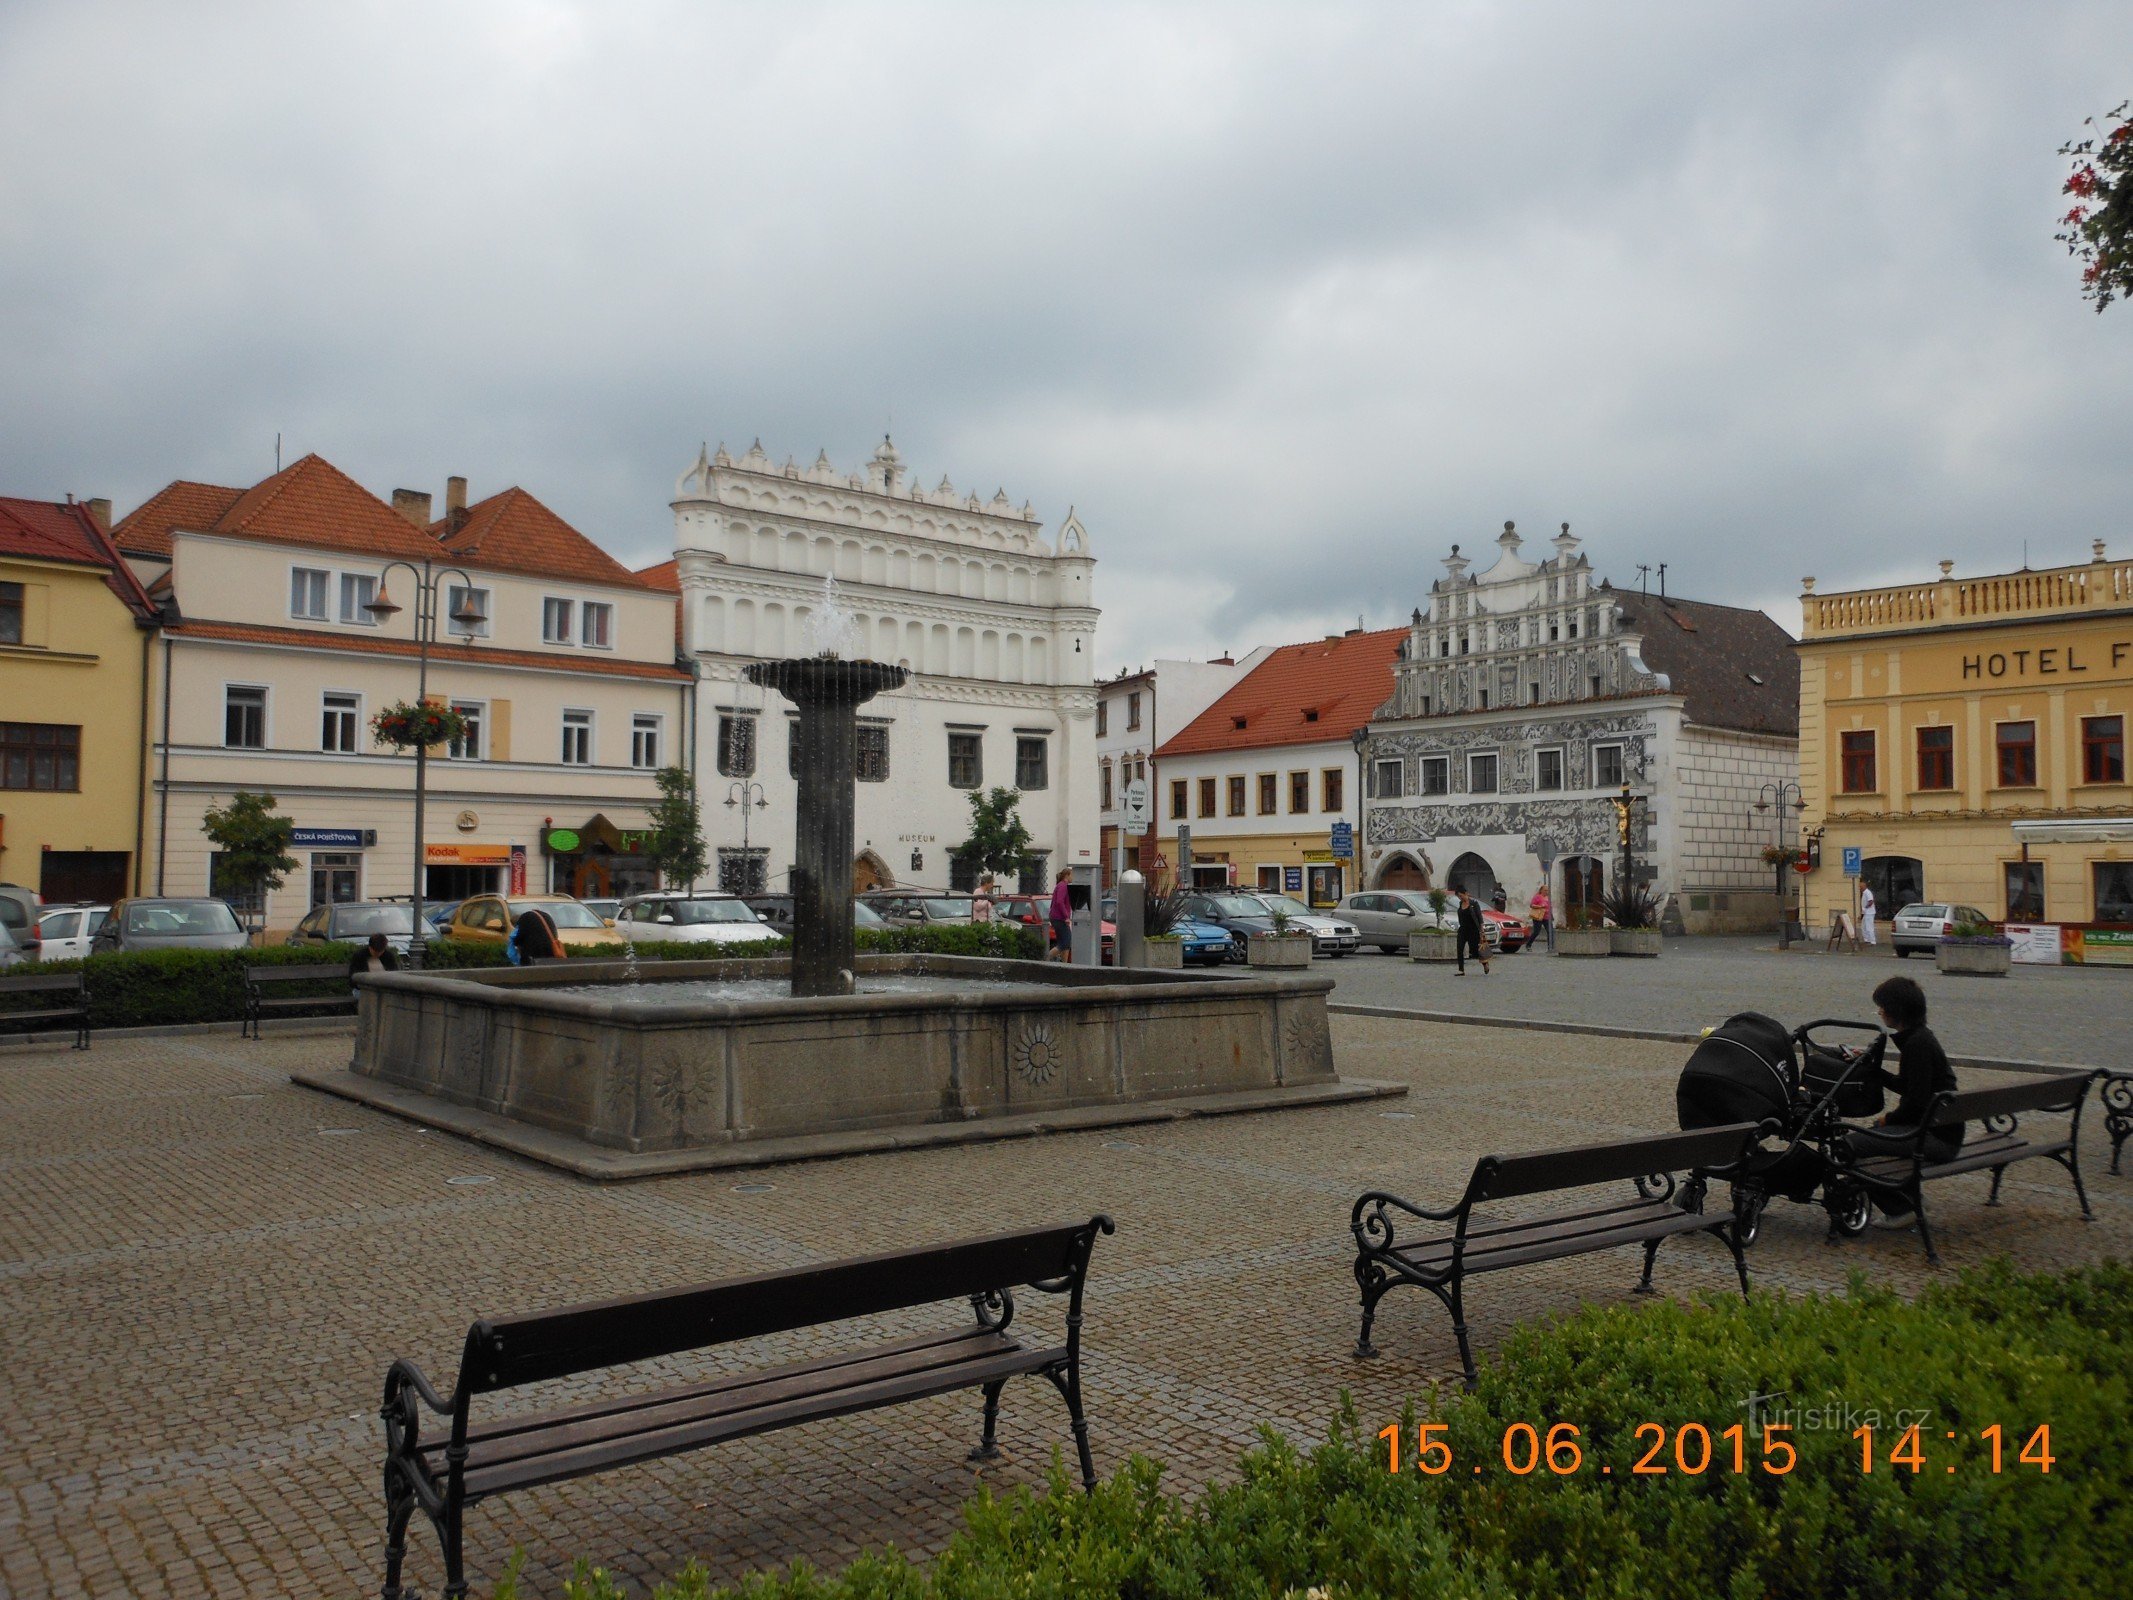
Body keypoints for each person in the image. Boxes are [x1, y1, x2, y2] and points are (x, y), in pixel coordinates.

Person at [1843, 974, 1959, 1227]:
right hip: (1943, 1131)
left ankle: (1901, 1208)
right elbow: (1910, 1087)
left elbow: (1915, 1103)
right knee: (1870, 1137)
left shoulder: (1917, 1046)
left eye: (1882, 1006)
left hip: (1936, 1139)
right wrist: (1875, 1070)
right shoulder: (1921, 1038)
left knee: (1848, 1146)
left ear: (1896, 1011)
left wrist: (1888, 1119)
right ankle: (1909, 1197)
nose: (1880, 1011)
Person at [1454, 888, 1490, 976]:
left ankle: (1485, 963)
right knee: (1459, 948)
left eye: (1460, 895)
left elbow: (1479, 917)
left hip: (1473, 930)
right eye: (1458, 896)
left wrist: (1482, 930)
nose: (1460, 898)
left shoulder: (1474, 904)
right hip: (1463, 930)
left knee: (1474, 951)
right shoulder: (1460, 904)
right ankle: (1461, 970)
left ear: (1465, 893)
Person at [1048, 868, 1074, 961]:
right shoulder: (1063, 886)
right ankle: (1045, 959)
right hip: (1059, 918)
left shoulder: (1060, 886)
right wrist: (1066, 916)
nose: (1073, 877)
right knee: (1065, 942)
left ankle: (1064, 965)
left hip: (1056, 917)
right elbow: (1059, 902)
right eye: (1072, 875)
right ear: (1067, 875)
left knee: (1065, 943)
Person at [1527, 882, 1554, 952]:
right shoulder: (1537, 897)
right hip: (1538, 916)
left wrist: (1551, 915)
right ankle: (1528, 944)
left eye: (1547, 890)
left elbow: (1550, 907)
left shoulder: (1548, 897)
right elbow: (1532, 905)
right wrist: (1540, 906)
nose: (1546, 891)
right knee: (1536, 932)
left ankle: (1550, 947)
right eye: (1545, 890)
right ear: (1541, 890)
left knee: (1550, 931)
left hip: (1547, 917)